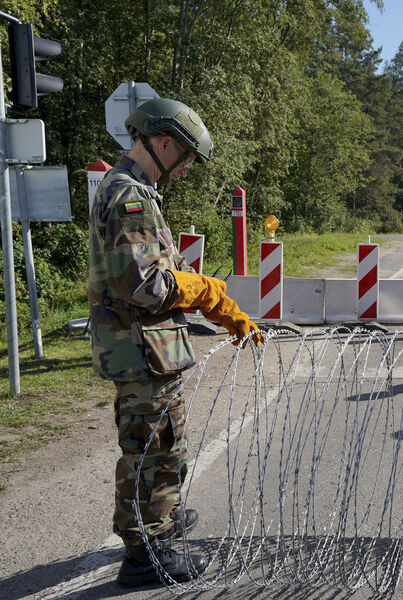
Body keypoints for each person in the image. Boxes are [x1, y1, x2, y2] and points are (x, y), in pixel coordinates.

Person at [89, 98, 262, 587]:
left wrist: (218, 304)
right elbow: (146, 286)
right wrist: (202, 289)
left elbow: (164, 270)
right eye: (184, 156)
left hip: (145, 347)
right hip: (142, 349)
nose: (185, 168)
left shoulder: (134, 189)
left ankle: (152, 522)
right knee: (153, 449)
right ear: (162, 143)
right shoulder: (131, 198)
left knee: (155, 445)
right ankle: (148, 553)